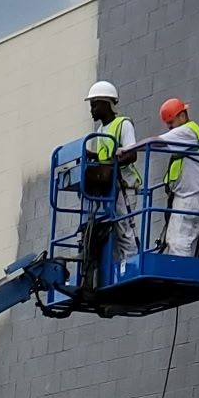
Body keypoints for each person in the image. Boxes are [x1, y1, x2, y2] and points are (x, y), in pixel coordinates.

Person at [83, 79, 139, 267]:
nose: (91, 110)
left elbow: (131, 154)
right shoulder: (100, 131)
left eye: (94, 105)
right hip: (109, 188)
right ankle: (117, 267)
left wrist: (110, 165)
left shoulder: (123, 124)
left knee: (124, 229)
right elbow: (104, 157)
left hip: (124, 186)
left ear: (105, 103)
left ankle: (129, 265)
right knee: (110, 229)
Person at [154, 97, 199, 255]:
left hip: (191, 195)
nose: (170, 128)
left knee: (179, 242)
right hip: (188, 196)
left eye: (171, 122)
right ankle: (184, 274)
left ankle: (180, 277)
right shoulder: (186, 135)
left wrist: (128, 150)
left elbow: (155, 142)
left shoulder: (187, 131)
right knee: (181, 240)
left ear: (182, 116)